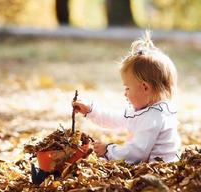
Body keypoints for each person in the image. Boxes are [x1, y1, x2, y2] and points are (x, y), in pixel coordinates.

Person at [73, 31, 181, 164]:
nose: (125, 93)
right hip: (146, 166)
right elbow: (114, 119)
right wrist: (90, 111)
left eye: (127, 88)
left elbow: (137, 153)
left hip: (158, 170)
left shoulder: (154, 117)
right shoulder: (144, 111)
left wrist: (108, 150)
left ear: (145, 88)